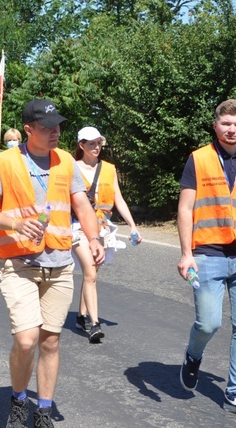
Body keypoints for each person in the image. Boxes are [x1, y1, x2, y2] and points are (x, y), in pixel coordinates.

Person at [0, 99, 105, 428]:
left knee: (50, 339)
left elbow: (82, 204)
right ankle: (19, 400)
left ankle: (43, 410)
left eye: (58, 126)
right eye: (48, 127)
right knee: (26, 339)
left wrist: (94, 239)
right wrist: (16, 224)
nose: (55, 132)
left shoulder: (65, 161)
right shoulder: (4, 162)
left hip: (60, 263)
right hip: (17, 263)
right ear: (28, 130)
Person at [177, 99, 236, 419]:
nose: (232, 130)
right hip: (207, 255)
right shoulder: (198, 159)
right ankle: (193, 355)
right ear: (215, 125)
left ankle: (235, 394)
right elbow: (185, 208)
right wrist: (186, 254)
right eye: (226, 124)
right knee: (209, 322)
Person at [71, 126, 142, 343]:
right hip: (76, 226)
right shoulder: (71, 168)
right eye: (91, 144)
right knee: (91, 273)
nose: (97, 147)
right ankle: (94, 324)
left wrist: (133, 225)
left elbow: (118, 199)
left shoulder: (109, 169)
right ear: (81, 145)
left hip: (101, 227)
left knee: (91, 273)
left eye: (99, 143)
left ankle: (81, 316)